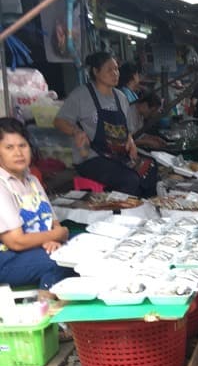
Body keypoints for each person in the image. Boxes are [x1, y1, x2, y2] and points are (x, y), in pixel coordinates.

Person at [55, 52, 156, 197]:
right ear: (96, 71)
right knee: (129, 179)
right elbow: (59, 121)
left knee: (150, 167)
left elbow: (125, 129)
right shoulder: (81, 95)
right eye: (110, 70)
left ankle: (146, 212)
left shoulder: (120, 97)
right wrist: (76, 132)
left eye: (116, 69)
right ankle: (119, 212)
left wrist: (130, 141)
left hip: (117, 155)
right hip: (91, 158)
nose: (115, 73)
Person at [0, 118, 73, 289]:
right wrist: (57, 235)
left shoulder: (31, 179)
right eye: (9, 147)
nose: (18, 153)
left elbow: (53, 224)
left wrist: (54, 239)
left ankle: (47, 292)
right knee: (60, 260)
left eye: (23, 146)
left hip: (35, 250)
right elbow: (16, 242)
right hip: (7, 259)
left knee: (87, 245)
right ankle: (47, 300)